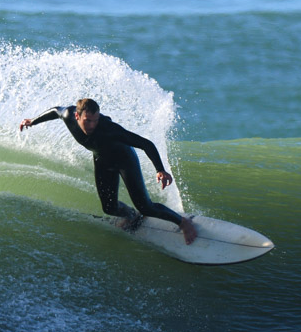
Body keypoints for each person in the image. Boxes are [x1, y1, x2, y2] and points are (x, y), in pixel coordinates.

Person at [19, 98, 197, 244]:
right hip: (102, 160)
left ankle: (183, 222)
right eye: (88, 121)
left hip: (124, 160)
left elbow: (145, 144)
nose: (92, 125)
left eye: (95, 120)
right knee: (109, 207)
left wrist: (160, 170)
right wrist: (33, 121)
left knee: (145, 206)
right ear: (76, 116)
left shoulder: (109, 129)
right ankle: (132, 216)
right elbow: (55, 111)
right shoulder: (67, 115)